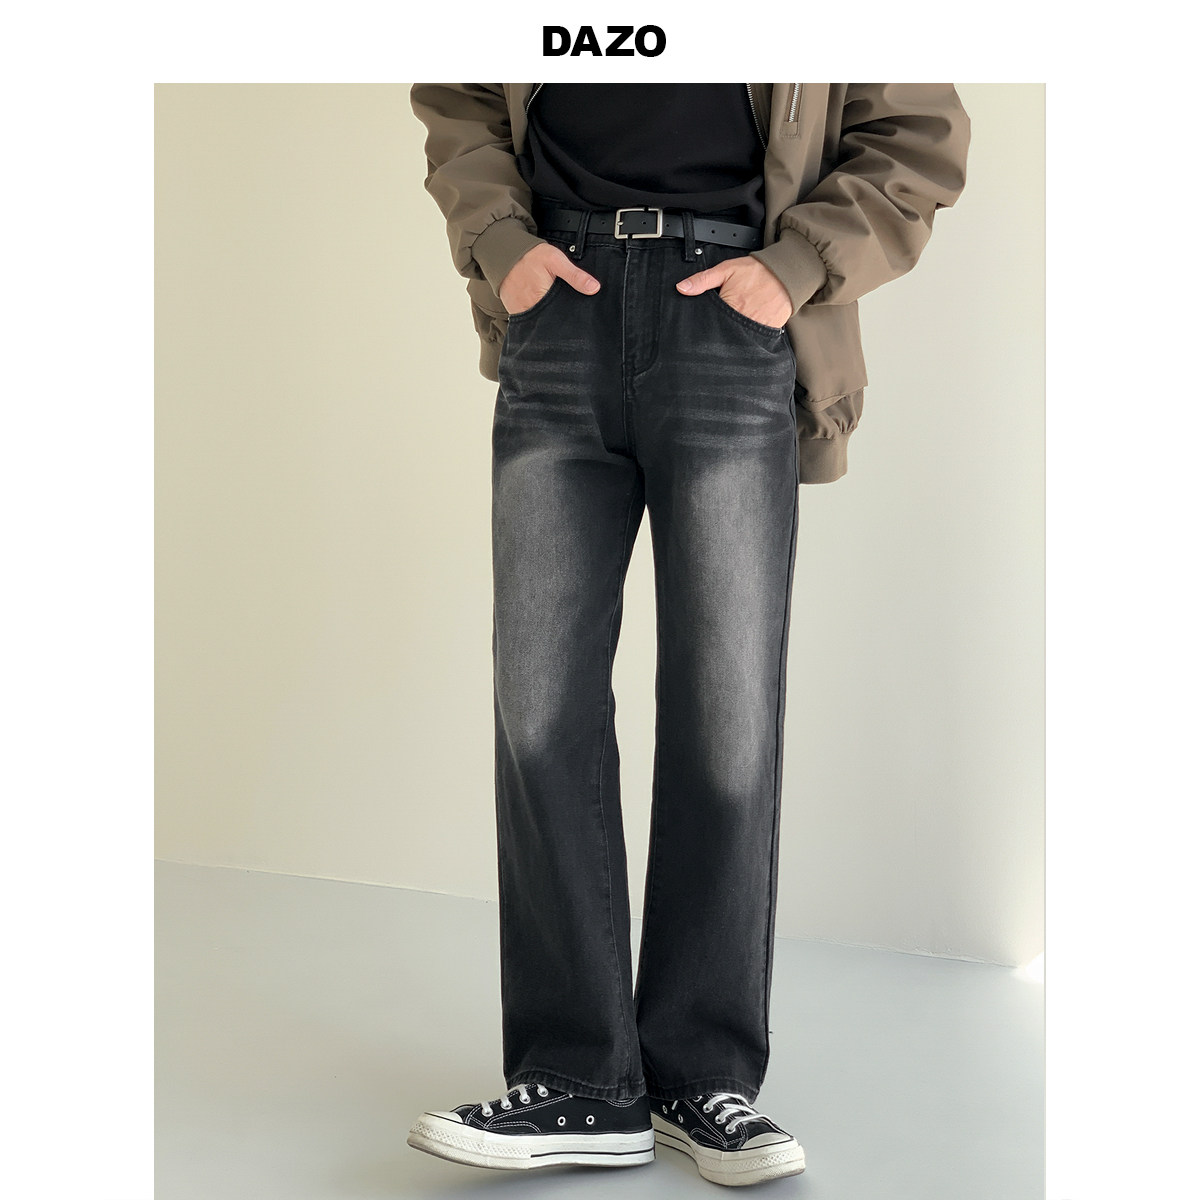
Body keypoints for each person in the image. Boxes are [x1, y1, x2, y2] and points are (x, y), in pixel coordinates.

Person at [404, 83, 970, 1187]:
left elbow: (918, 138)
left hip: (733, 309)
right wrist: (504, 246)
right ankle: (579, 1078)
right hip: (558, 302)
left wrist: (792, 269)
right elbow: (460, 96)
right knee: (538, 710)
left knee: (727, 719)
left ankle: (701, 1075)